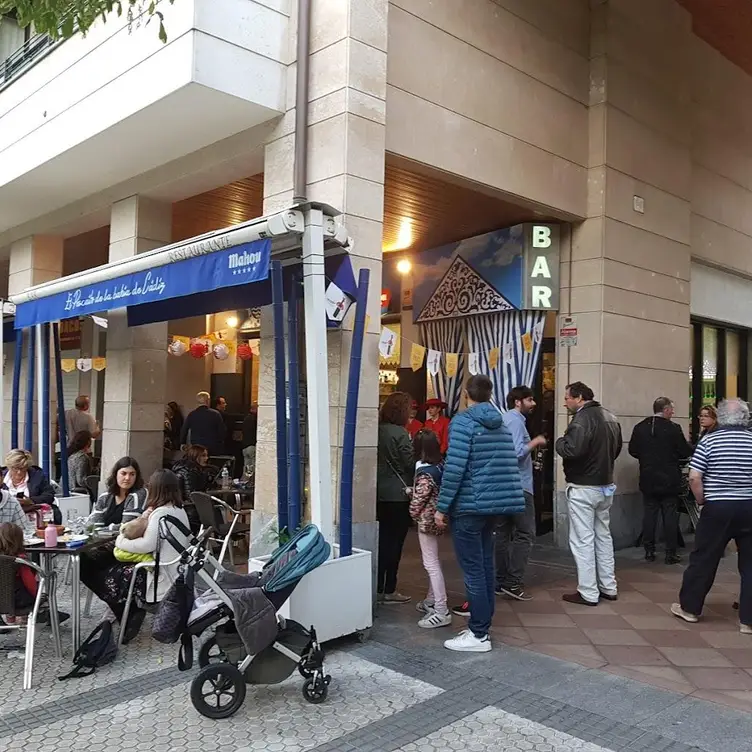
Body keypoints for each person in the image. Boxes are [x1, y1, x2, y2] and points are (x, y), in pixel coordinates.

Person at [435, 375, 524, 653]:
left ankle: (479, 633)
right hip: (494, 505)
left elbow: (455, 468)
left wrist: (442, 506)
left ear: (465, 394)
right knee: (485, 565)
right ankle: (481, 625)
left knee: (473, 569)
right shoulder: (500, 423)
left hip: (470, 505)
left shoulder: (462, 422)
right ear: (490, 394)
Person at [80, 469, 189, 643]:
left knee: (98, 570)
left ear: (156, 489)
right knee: (98, 562)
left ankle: (126, 609)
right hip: (170, 567)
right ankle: (125, 609)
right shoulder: (179, 510)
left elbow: (147, 544)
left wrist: (120, 541)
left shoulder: (160, 513)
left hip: (156, 572)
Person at [672, 398, 752, 632]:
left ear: (722, 417)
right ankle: (748, 620)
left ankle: (690, 609)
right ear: (745, 418)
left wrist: (701, 500)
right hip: (749, 506)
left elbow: (695, 477)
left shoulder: (710, 440)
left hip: (717, 507)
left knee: (704, 558)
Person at [555, 382, 622, 606]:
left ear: (580, 398)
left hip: (584, 486)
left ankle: (588, 591)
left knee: (583, 540)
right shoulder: (609, 416)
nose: (565, 402)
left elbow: (572, 449)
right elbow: (617, 447)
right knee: (602, 536)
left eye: (567, 398)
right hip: (605, 483)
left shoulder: (582, 419)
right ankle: (608, 586)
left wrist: (559, 442)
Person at [496, 386, 547, 601]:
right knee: (525, 534)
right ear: (518, 402)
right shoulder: (516, 420)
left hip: (503, 485)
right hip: (520, 487)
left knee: (502, 534)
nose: (533, 403)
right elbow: (516, 452)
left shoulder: (504, 419)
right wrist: (535, 441)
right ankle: (512, 582)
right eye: (529, 399)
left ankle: (500, 580)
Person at [628, 397, 692, 565]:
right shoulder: (673, 428)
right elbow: (684, 451)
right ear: (665, 410)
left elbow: (632, 450)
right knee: (670, 515)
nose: (673, 412)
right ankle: (671, 553)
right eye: (671, 409)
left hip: (648, 477)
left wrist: (646, 458)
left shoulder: (640, 427)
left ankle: (649, 550)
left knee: (649, 514)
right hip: (669, 478)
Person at [376, 391, 415, 603]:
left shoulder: (376, 430)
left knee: (381, 541)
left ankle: (377, 585)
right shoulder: (401, 434)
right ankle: (389, 588)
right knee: (395, 543)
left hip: (378, 492)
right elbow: (409, 463)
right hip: (398, 494)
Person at [410, 429, 450, 629]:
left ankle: (441, 608)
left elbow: (420, 498)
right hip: (438, 518)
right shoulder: (440, 466)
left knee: (431, 564)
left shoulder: (425, 471)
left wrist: (412, 510)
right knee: (434, 560)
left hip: (427, 520)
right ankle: (431, 599)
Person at [1, 449, 59, 524]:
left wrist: (31, 501)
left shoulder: (37, 475)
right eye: (15, 468)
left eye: (23, 468)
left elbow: (49, 495)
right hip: (6, 517)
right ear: (9, 467)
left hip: (34, 517)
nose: (19, 472)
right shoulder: (1, 477)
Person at [87, 457, 147, 526]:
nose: (127, 478)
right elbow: (94, 523)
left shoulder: (139, 494)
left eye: (132, 474)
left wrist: (102, 531)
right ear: (116, 474)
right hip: (101, 536)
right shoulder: (105, 496)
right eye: (123, 473)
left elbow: (126, 527)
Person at [172, 444, 211, 531]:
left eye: (207, 455)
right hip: (189, 510)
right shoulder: (190, 472)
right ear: (195, 456)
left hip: (183, 507)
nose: (206, 458)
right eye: (203, 456)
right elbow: (191, 496)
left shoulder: (189, 469)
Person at [180, 391, 226, 456]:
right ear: (208, 401)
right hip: (213, 447)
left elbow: (184, 430)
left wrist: (183, 443)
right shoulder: (215, 414)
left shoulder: (192, 414)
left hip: (197, 447)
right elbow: (222, 432)